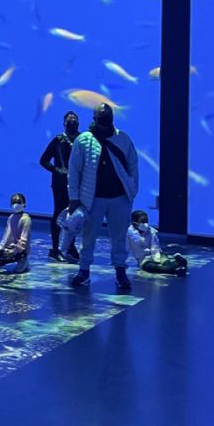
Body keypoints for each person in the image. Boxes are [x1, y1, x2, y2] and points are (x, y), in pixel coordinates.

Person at [67, 103, 139, 290]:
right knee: (88, 236)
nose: (105, 121)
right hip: (92, 199)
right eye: (102, 118)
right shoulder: (83, 140)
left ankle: (120, 271)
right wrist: (74, 197)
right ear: (94, 119)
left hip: (119, 197)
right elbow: (74, 171)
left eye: (108, 118)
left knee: (119, 236)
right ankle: (84, 271)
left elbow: (133, 166)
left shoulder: (122, 138)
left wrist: (132, 191)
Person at [40, 111, 81, 262]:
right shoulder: (58, 140)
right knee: (58, 213)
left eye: (75, 120)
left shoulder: (81, 139)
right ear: (64, 123)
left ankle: (70, 246)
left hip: (77, 184)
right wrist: (57, 170)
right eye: (69, 121)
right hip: (60, 184)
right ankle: (55, 248)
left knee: (75, 215)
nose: (72, 123)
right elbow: (43, 160)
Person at [126, 210, 188, 276]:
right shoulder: (129, 234)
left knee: (167, 266)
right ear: (135, 223)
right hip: (144, 260)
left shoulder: (151, 231)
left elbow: (155, 246)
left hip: (158, 254)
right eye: (143, 221)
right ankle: (179, 264)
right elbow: (125, 249)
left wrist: (157, 260)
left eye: (146, 221)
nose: (146, 224)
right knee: (158, 268)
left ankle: (178, 265)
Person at [0, 192, 31, 274]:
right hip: (9, 249)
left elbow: (24, 240)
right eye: (14, 203)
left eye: (19, 203)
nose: (16, 205)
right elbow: (5, 237)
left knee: (18, 271)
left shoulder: (26, 219)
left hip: (20, 250)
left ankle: (23, 260)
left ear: (24, 204)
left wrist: (15, 251)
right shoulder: (11, 218)